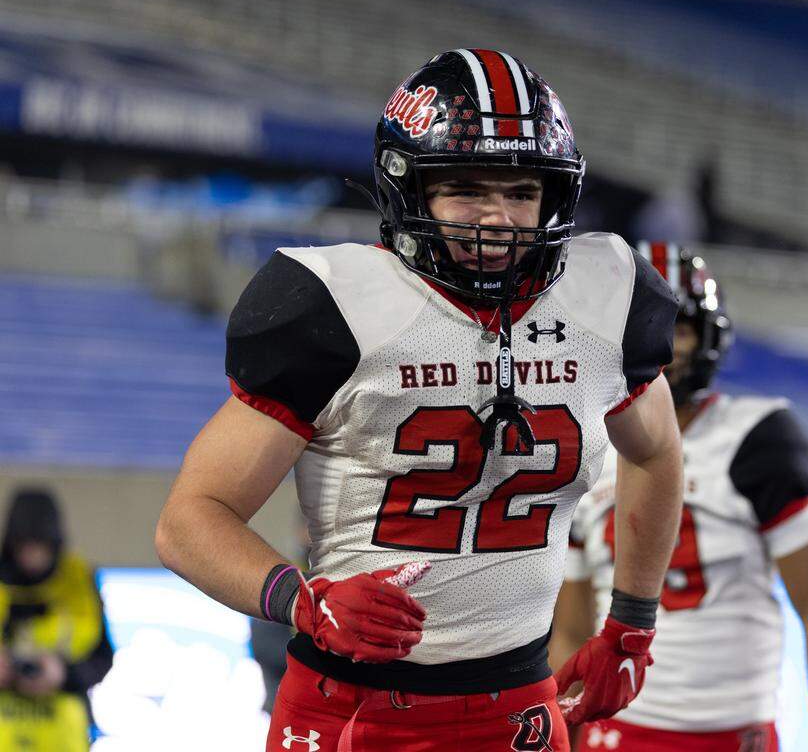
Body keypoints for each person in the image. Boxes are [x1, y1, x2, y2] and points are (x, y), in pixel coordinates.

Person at [155, 49, 684, 752]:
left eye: (522, 192)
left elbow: (658, 450)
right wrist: (300, 600)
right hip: (351, 707)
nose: (499, 221)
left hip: (519, 705)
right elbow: (188, 521)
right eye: (467, 189)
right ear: (411, 189)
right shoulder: (334, 305)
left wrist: (632, 621)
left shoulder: (605, 296)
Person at [552, 242, 808, 752]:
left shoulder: (756, 436)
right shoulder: (583, 444)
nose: (658, 345)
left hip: (731, 734)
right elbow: (574, 630)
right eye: (635, 328)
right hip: (615, 733)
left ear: (708, 336)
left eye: (678, 328)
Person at [0, 487, 113, 751]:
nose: (32, 556)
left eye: (40, 546)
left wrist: (63, 674)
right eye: (24, 546)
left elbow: (102, 659)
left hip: (63, 731)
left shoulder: (80, 580)